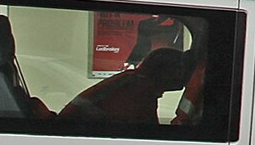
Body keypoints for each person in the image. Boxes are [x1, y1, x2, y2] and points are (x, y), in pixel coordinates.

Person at [60, 44, 197, 127]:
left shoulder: (135, 80)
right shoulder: (142, 89)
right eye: (181, 70)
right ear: (165, 70)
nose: (186, 77)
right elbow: (147, 132)